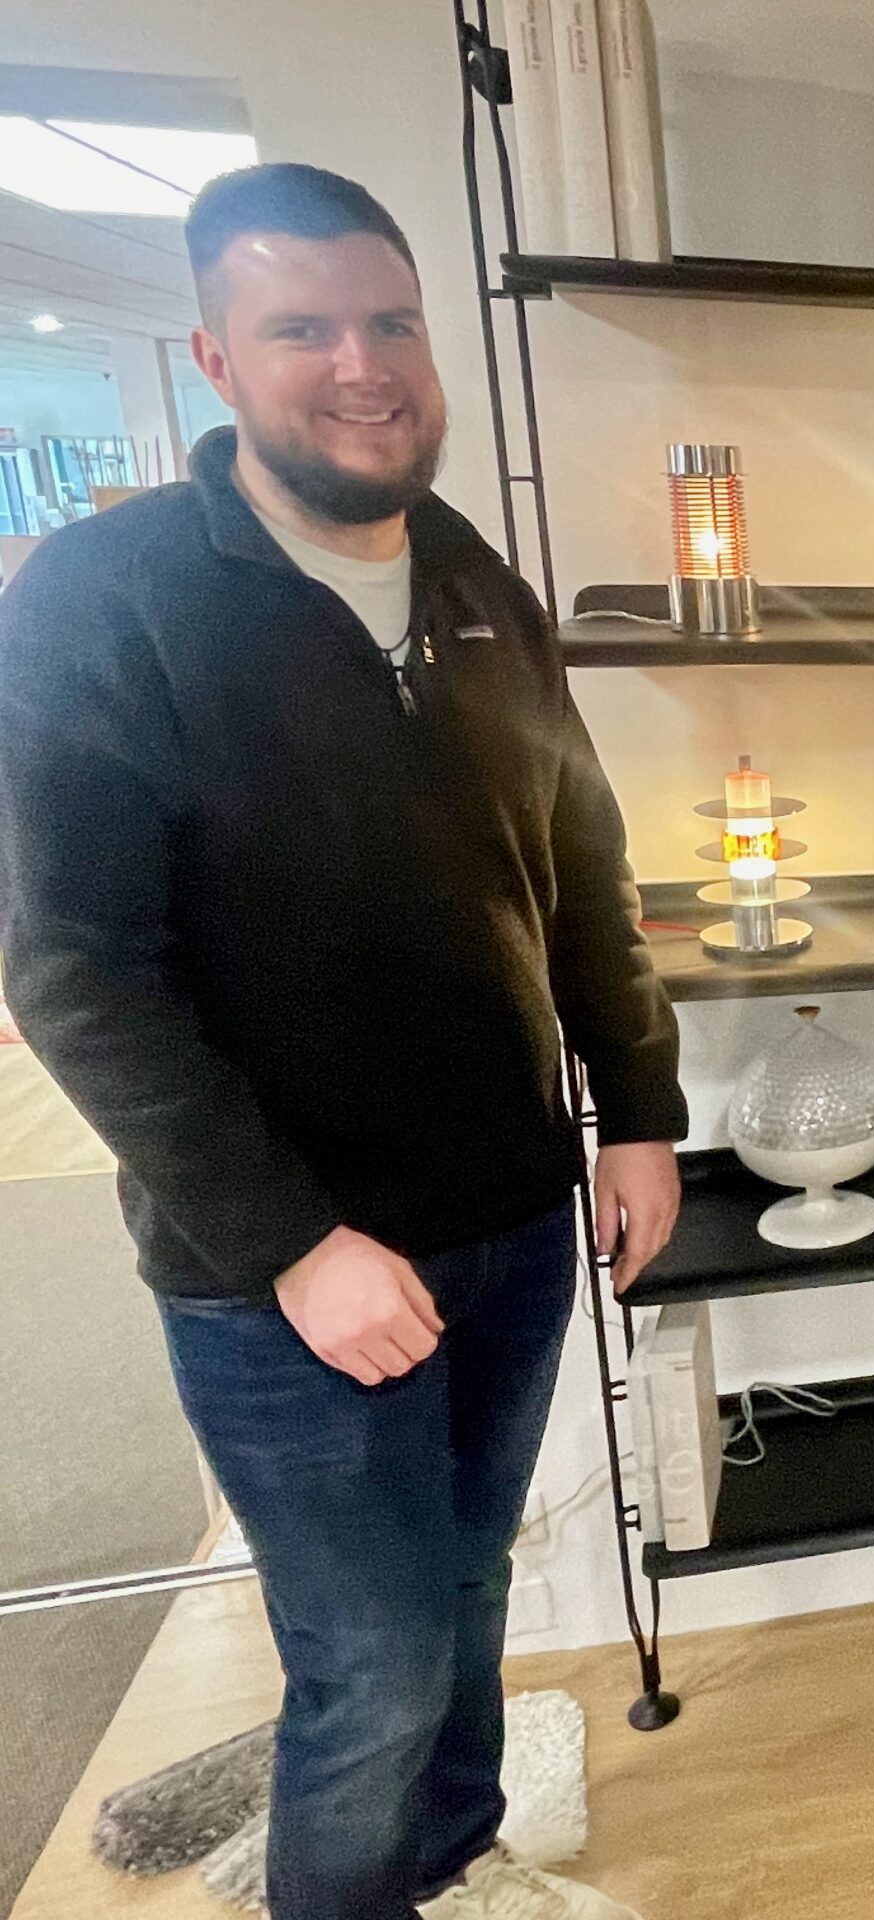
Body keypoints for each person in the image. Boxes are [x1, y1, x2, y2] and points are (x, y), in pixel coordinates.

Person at [0, 164, 684, 1919]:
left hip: (510, 1219)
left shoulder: (477, 582)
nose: (361, 366)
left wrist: (637, 1109)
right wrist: (299, 1244)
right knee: (367, 1669)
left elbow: (582, 867)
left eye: (390, 323)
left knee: (466, 1594)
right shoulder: (105, 596)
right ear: (217, 358)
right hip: (284, 1273)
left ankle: (455, 1866)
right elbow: (75, 975)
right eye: (302, 327)